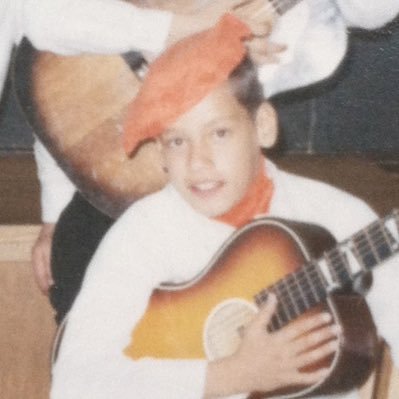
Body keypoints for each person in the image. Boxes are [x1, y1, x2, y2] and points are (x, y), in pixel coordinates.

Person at [50, 14, 399, 398]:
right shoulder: (144, 233)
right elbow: (73, 383)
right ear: (161, 154)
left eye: (219, 133)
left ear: (263, 126)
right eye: (177, 141)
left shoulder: (340, 219)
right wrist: (231, 375)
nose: (198, 162)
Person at [1, 0, 271, 323]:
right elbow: (46, 45)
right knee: (79, 290)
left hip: (207, 197)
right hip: (121, 190)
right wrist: (183, 28)